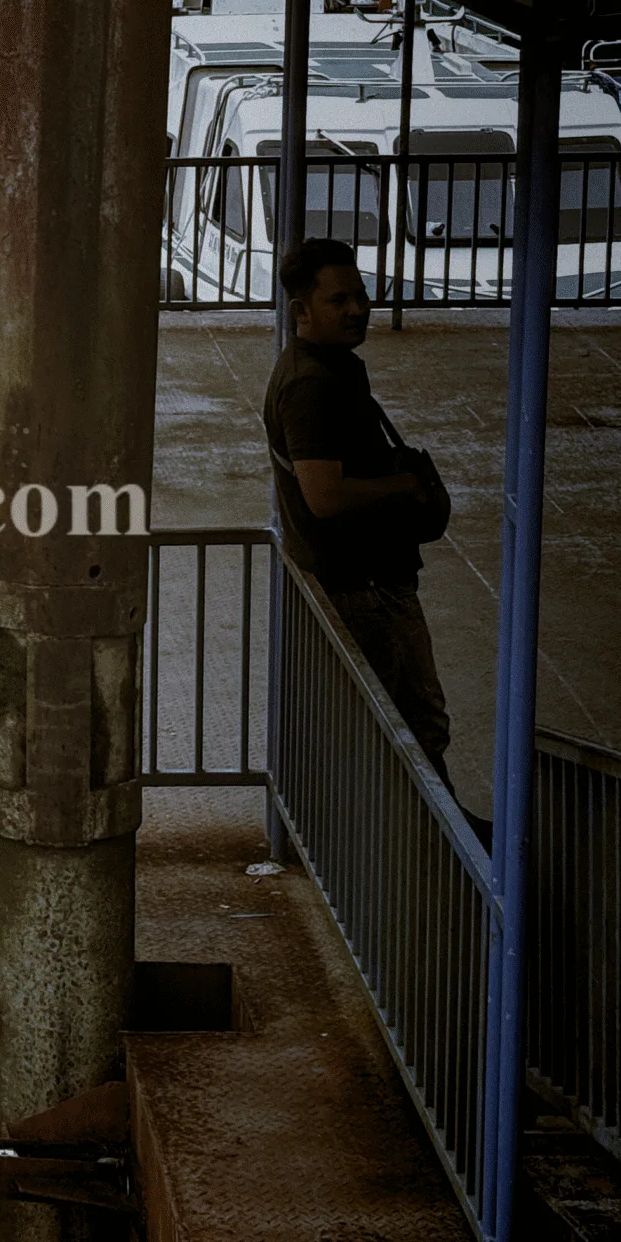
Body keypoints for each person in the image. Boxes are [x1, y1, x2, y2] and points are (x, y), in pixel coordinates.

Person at [264, 236, 465, 815]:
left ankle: (431, 825)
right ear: (302, 311)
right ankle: (432, 836)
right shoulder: (313, 385)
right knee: (415, 720)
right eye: (338, 300)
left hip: (364, 576)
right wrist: (404, 487)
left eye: (361, 294)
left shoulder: (322, 368)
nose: (358, 309)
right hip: (366, 584)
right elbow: (324, 496)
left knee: (399, 719)